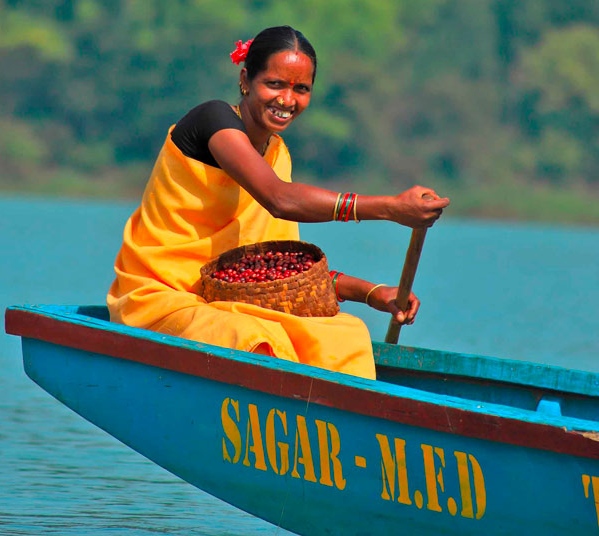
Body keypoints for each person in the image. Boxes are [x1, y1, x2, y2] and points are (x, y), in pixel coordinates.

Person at [108, 26, 449, 379]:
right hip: (162, 299)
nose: (287, 100)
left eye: (301, 89)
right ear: (245, 80)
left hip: (230, 303)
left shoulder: (277, 154)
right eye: (275, 84)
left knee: (344, 334)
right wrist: (390, 208)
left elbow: (276, 271)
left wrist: (373, 293)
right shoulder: (212, 121)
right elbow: (279, 200)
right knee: (252, 337)